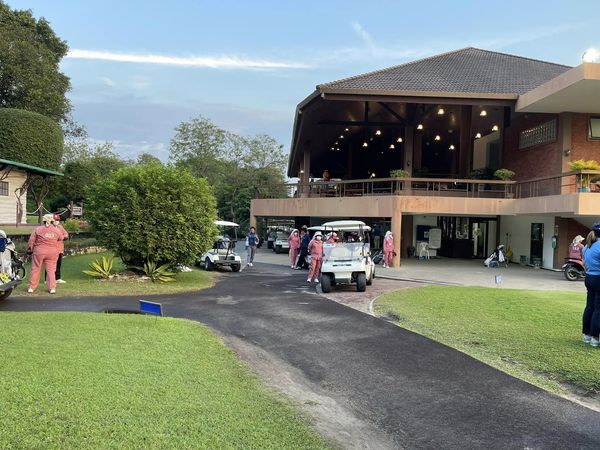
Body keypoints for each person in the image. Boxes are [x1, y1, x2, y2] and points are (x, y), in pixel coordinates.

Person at [27, 213, 65, 294]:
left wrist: (30, 249)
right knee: (51, 270)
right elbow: (61, 238)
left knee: (35, 269)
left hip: (39, 251)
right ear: (52, 221)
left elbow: (31, 240)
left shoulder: (38, 229)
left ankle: (31, 287)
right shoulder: (57, 230)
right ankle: (52, 288)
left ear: (43, 220)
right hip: (52, 252)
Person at [582, 225, 600, 346]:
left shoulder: (587, 246)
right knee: (598, 309)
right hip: (598, 278)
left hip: (589, 277)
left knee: (590, 307)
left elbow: (584, 263)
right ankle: (595, 338)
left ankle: (586, 335)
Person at [45, 214, 69, 284]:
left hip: (59, 249)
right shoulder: (48, 227)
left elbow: (66, 235)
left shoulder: (60, 227)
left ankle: (57, 278)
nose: (56, 221)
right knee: (49, 265)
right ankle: (47, 279)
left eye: (58, 220)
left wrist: (62, 237)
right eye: (55, 220)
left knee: (58, 264)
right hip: (51, 249)